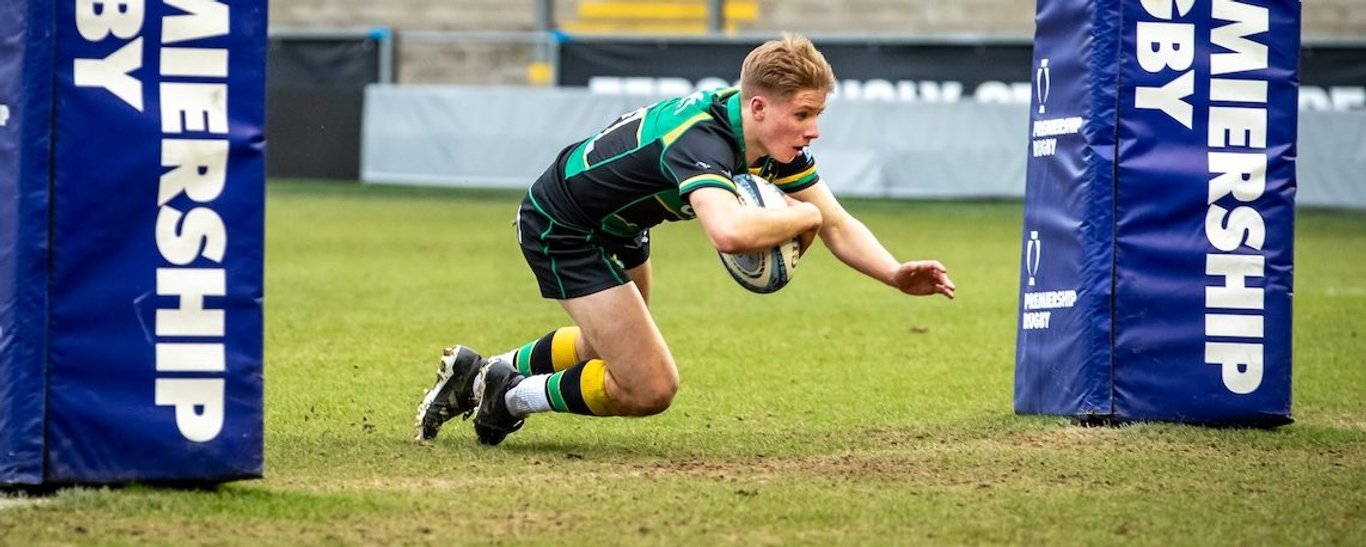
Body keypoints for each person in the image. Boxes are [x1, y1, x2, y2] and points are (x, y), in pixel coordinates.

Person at [414, 33, 956, 446]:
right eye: (804, 114)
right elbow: (728, 231)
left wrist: (893, 271)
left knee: (609, 350)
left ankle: (479, 371)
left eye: (818, 114)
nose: (814, 129)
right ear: (760, 106)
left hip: (621, 222)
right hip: (565, 226)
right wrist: (800, 220)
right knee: (649, 386)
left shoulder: (761, 135)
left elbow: (834, 219)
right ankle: (508, 397)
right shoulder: (702, 138)